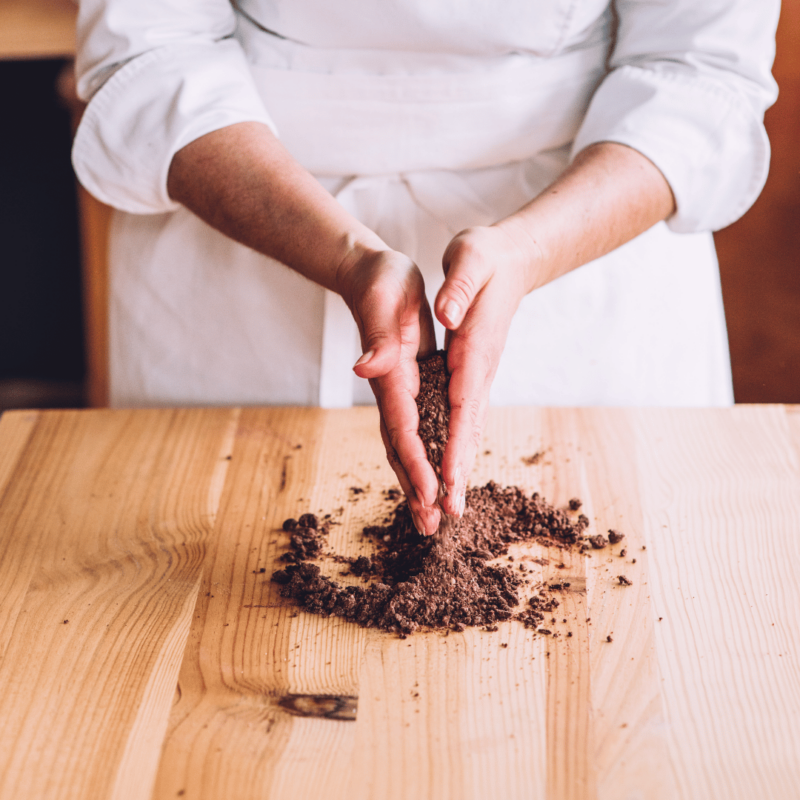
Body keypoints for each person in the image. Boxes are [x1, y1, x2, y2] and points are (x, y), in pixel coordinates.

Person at [72, 0, 779, 535]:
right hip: (244, 262)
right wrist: (343, 254)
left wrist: (529, 249)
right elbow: (151, 53)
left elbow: (697, 76)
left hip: (587, 276)